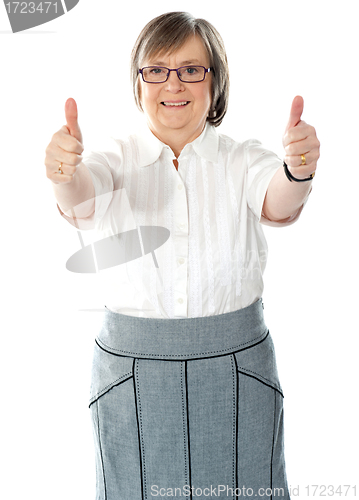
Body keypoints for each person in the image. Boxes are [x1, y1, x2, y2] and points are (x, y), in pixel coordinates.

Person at [45, 11, 320, 500]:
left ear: (215, 83)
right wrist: (64, 172)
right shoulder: (112, 157)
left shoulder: (242, 157)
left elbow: (278, 199)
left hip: (237, 369)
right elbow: (81, 196)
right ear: (139, 82)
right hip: (132, 373)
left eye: (192, 69)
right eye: (157, 69)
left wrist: (298, 169)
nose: (174, 83)